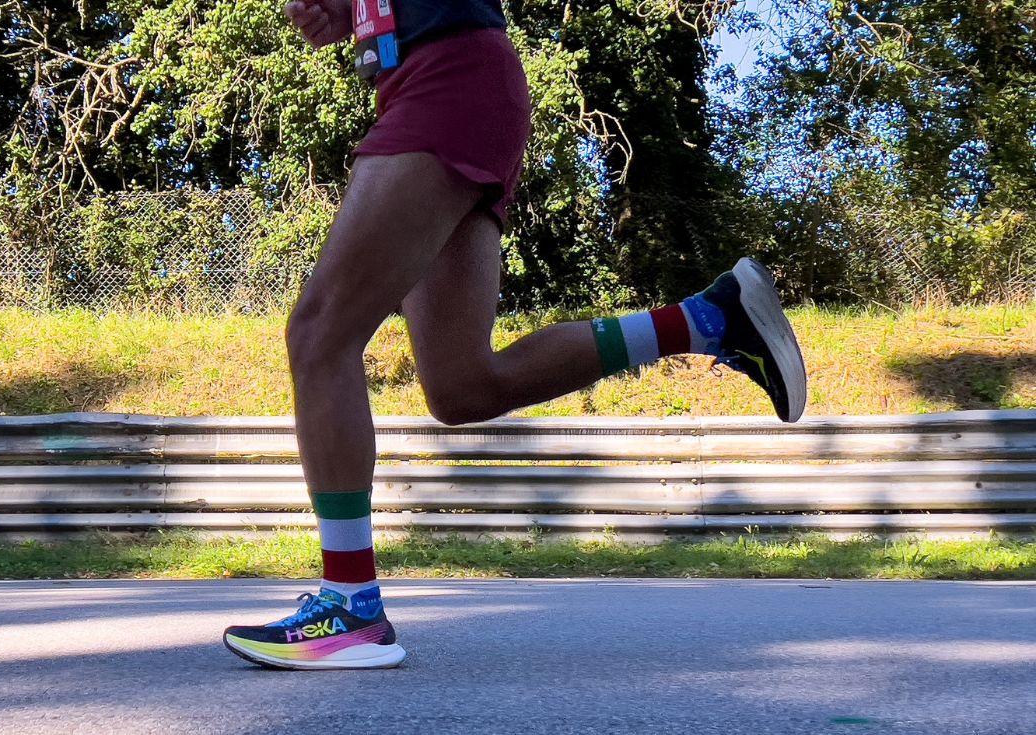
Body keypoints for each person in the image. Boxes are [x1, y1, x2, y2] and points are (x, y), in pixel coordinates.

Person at [222, 0, 807, 670]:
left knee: (320, 332)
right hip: (447, 86)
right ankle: (708, 319)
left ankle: (349, 605)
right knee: (462, 385)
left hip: (449, 82)